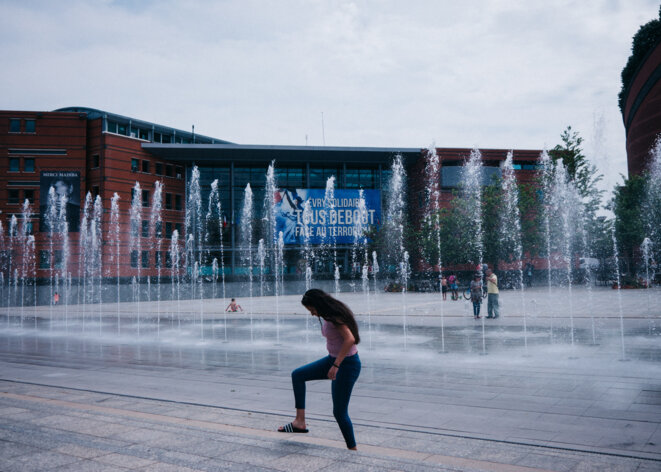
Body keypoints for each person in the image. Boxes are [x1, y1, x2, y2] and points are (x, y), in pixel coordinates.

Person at [278, 289, 361, 450]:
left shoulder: (334, 316)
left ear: (318, 305)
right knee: (298, 375)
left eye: (312, 310)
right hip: (333, 360)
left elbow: (350, 339)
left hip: (347, 365)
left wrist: (336, 365)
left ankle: (353, 449)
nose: (312, 314)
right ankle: (299, 422)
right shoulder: (328, 315)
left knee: (339, 412)